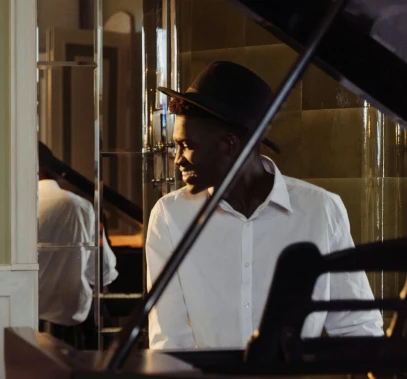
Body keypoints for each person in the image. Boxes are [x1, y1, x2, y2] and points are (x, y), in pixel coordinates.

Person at [146, 61, 383, 349]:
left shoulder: (321, 210)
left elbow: (356, 326)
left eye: (187, 145)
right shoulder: (170, 215)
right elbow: (169, 340)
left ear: (230, 144)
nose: (177, 159)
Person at [37, 142, 118, 348]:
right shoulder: (79, 206)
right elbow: (102, 273)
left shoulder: (13, 205)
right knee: (103, 319)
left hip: (25, 317)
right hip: (73, 319)